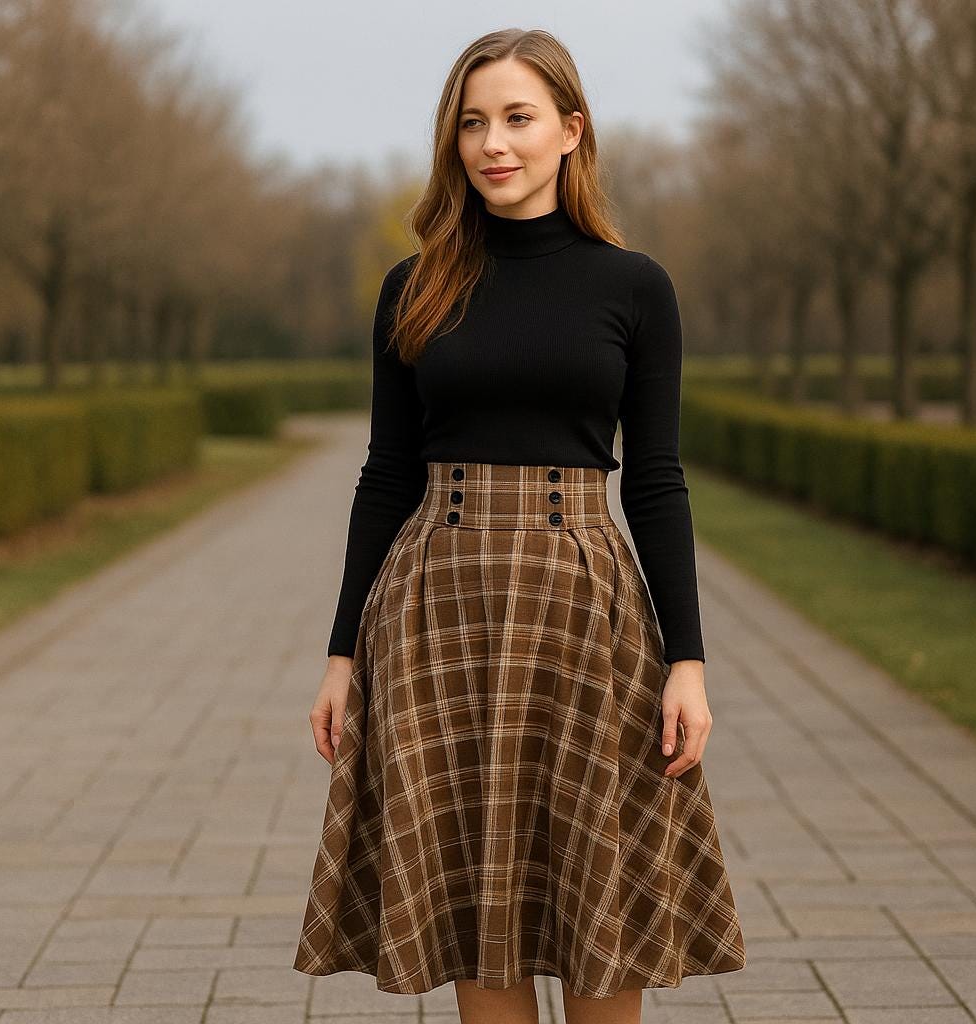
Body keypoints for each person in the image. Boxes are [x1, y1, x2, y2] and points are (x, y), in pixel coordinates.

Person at [293, 26, 747, 1024]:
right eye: (472, 123)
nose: (494, 142)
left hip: (586, 604)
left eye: (517, 118)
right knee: (471, 889)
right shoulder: (413, 287)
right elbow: (386, 474)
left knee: (598, 886)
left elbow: (658, 480)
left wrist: (689, 659)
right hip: (435, 602)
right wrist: (339, 652)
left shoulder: (635, 288)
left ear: (571, 132)